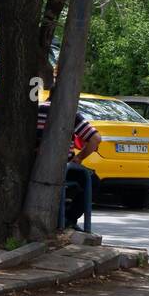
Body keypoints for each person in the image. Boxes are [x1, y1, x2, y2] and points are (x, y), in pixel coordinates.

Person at [36, 97, 101, 227]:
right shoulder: (70, 113)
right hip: (62, 167)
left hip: (34, 166)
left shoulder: (36, 110)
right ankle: (69, 219)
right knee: (94, 181)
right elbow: (95, 139)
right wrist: (79, 158)